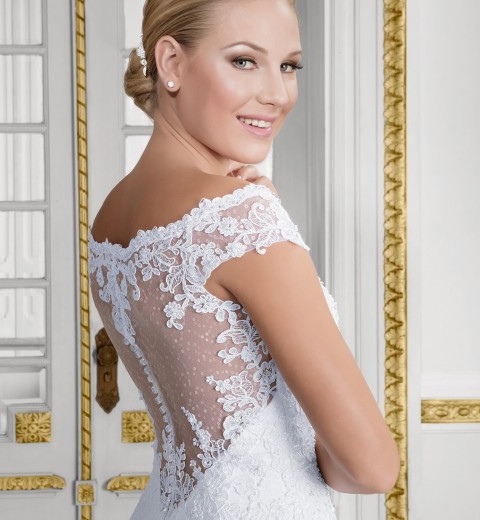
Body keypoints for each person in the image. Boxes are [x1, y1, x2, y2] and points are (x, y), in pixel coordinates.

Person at [88, 0, 400, 518]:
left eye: (289, 66)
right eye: (243, 61)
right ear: (171, 63)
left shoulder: (109, 219)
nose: (277, 93)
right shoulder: (240, 220)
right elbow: (371, 469)